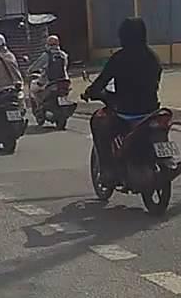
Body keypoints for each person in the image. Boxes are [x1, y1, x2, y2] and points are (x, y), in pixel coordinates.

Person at [84, 18, 163, 183]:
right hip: (151, 110)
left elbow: (101, 81)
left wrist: (90, 92)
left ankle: (108, 170)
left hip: (126, 111)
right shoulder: (152, 57)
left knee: (99, 124)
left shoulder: (119, 58)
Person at [28, 35, 69, 108]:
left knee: (33, 89)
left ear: (48, 44)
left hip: (49, 82)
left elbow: (36, 66)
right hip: (64, 81)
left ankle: (39, 106)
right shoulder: (63, 55)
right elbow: (65, 66)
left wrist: (29, 70)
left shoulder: (46, 55)